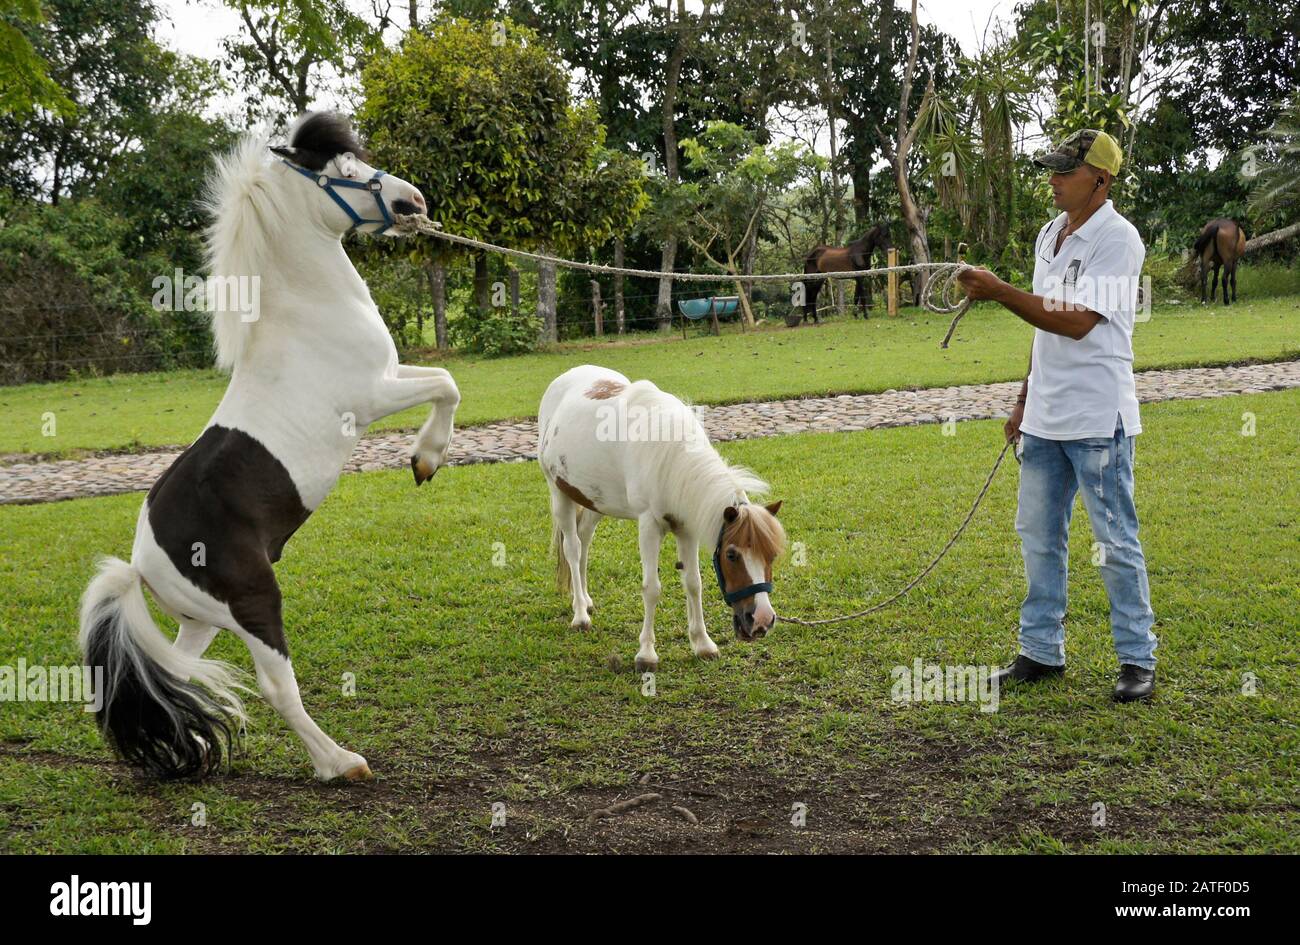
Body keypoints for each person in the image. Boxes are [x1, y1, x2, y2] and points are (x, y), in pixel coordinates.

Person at [957, 129, 1157, 703]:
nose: (1053, 179)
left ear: (1101, 179)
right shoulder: (1050, 233)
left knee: (1114, 541)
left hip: (1098, 417)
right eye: (1052, 169)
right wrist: (1024, 397)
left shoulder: (1118, 239)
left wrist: (1000, 292)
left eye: (1065, 172)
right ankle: (1040, 651)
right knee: (1038, 537)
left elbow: (1076, 320)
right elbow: (1044, 330)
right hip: (1045, 416)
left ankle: (1136, 659)